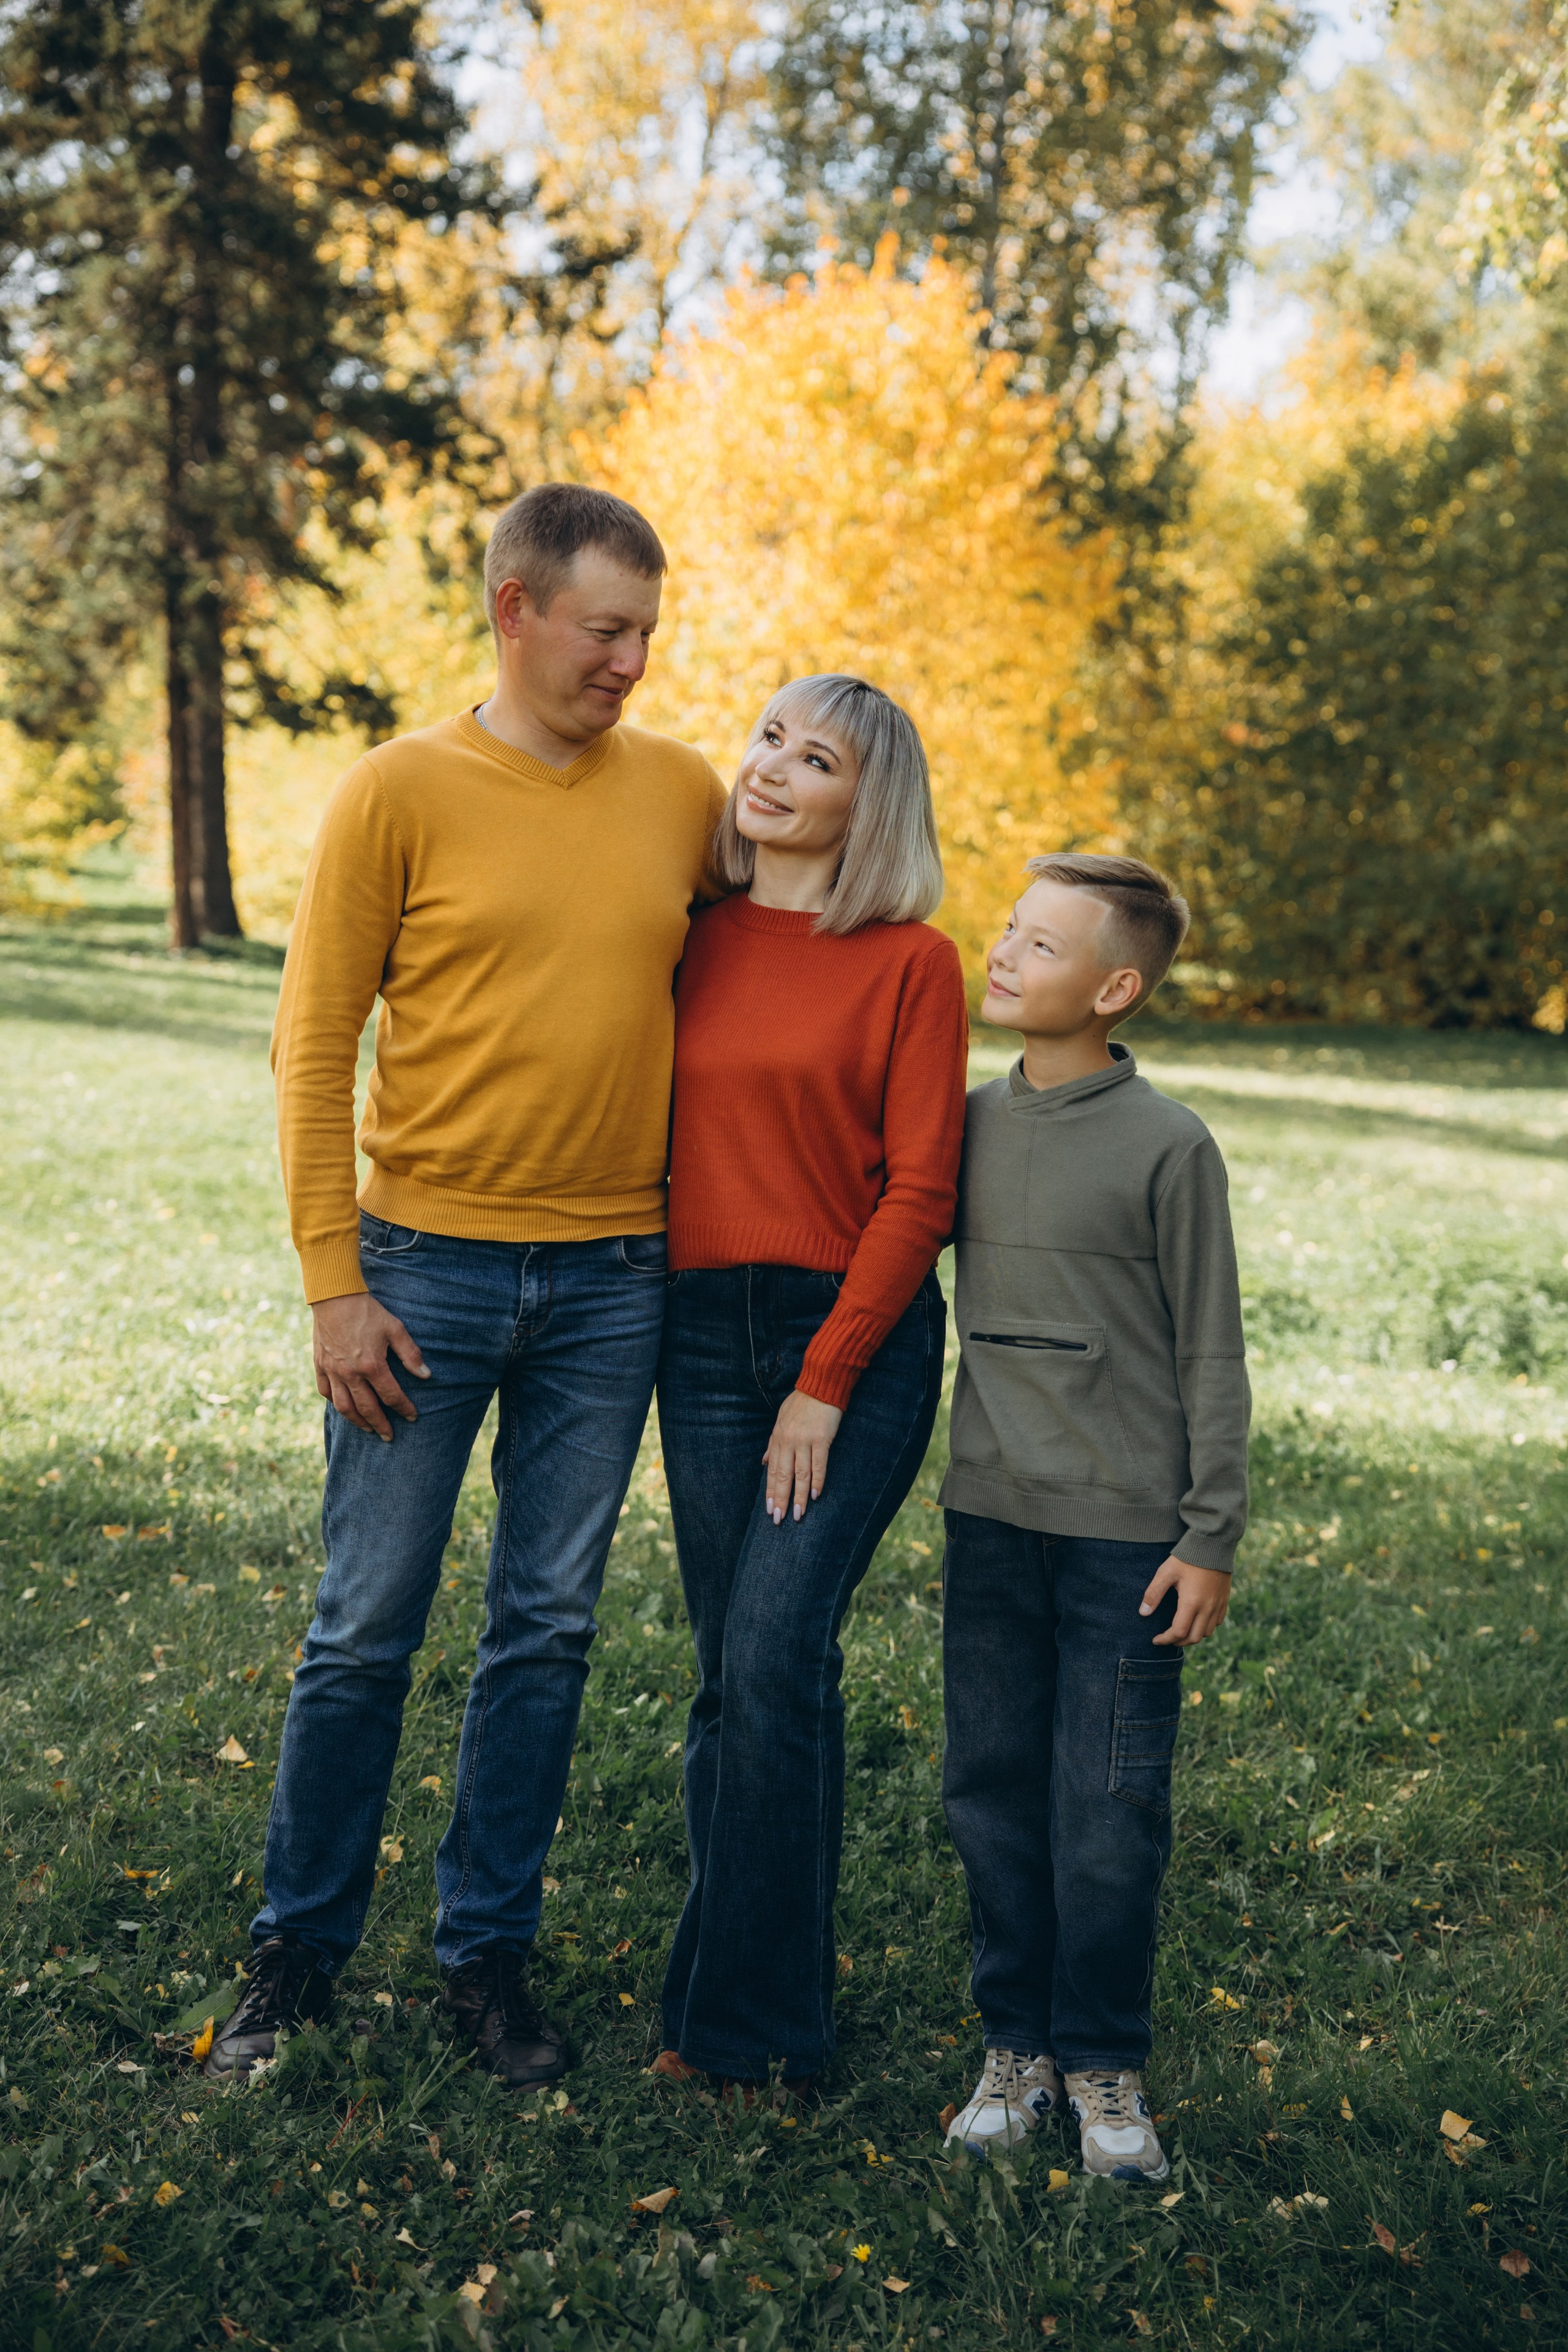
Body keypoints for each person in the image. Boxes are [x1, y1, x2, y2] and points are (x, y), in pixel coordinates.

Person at [203, 484, 728, 2089]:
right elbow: (312, 1047)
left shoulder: (686, 795)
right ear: (515, 610)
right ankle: (296, 1953)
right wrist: (331, 1282)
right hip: (418, 1268)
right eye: (604, 628)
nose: (633, 660)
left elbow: (774, 969)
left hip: (613, 1276)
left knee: (548, 1627)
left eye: (647, 629)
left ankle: (485, 1956)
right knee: (366, 1627)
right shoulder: (397, 792)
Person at [648, 675, 970, 2094]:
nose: (771, 767)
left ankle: (754, 2038)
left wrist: (826, 1377)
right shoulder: (685, 938)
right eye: (768, 737)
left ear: (866, 805)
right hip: (695, 1334)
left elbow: (922, 1190)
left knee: (776, 1656)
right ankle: (726, 2003)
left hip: (849, 1340)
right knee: (735, 1677)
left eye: (815, 756)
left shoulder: (911, 962)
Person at [939, 853, 1249, 2179]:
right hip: (989, 1519)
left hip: (1126, 1539)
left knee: (1108, 1809)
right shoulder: (961, 1124)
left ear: (1114, 988)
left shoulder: (1167, 1144)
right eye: (1007, 932)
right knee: (992, 1792)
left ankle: (1103, 2063)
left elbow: (1209, 1351)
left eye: (1042, 946)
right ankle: (1016, 2047)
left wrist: (1207, 1532)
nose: (1004, 956)